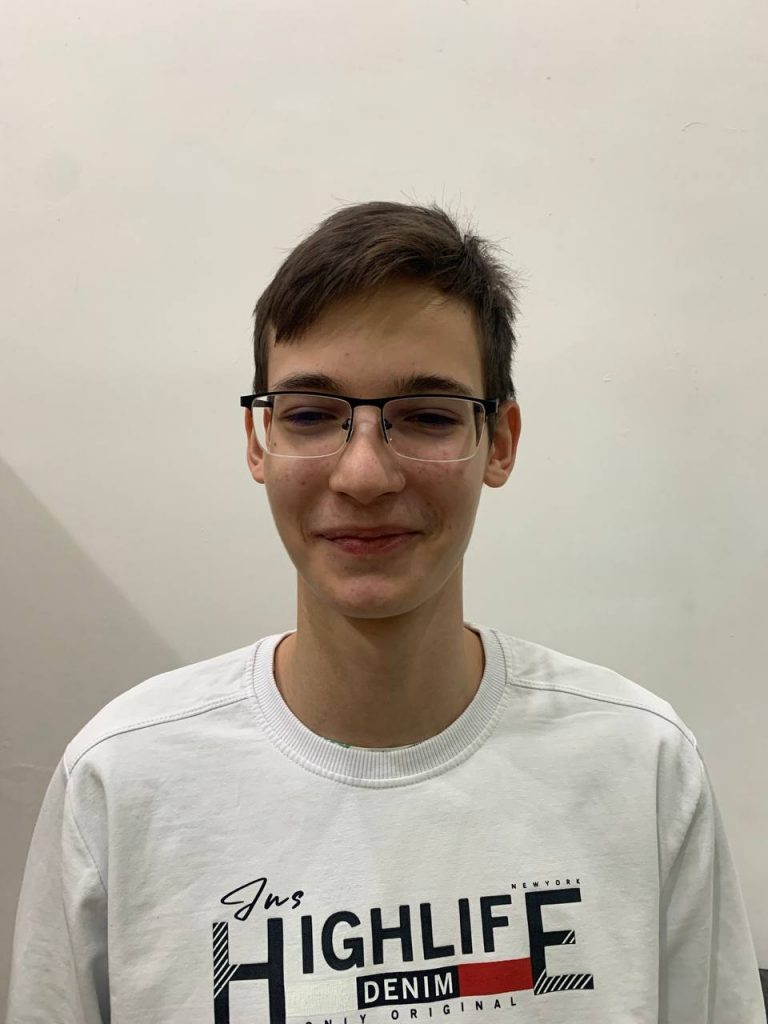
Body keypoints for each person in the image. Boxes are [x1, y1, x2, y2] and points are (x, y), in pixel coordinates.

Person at [5, 200, 765, 1024]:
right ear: (258, 441)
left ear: (500, 442)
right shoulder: (122, 782)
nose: (364, 475)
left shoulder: (641, 769)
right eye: (310, 415)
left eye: (428, 417)